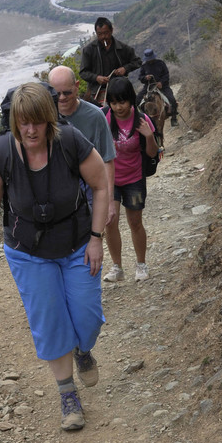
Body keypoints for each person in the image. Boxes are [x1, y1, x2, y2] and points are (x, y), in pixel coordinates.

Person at [0, 82, 109, 432]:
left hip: (78, 242)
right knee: (49, 320)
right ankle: (68, 395)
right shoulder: (2, 151)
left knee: (88, 318)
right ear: (15, 122)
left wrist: (96, 238)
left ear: (49, 120)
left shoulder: (70, 141)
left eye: (36, 122)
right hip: (27, 250)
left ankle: (82, 349)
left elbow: (101, 184)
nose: (30, 130)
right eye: (23, 123)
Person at [102, 76, 158, 284]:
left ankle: (141, 264)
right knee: (110, 221)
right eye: (114, 103)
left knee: (135, 222)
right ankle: (117, 267)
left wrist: (149, 136)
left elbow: (152, 154)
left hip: (134, 179)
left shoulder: (142, 119)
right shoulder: (105, 118)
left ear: (131, 100)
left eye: (122, 102)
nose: (118, 107)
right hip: (111, 180)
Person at [48, 64, 116, 227]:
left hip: (89, 191)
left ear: (77, 87)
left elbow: (107, 160)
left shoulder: (95, 116)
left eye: (67, 92)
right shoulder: (44, 119)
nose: (62, 98)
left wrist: (109, 200)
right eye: (57, 94)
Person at [79, 17, 142, 105]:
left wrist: (125, 68)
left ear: (111, 30)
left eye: (106, 33)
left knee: (133, 107)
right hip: (96, 91)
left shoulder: (122, 48)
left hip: (120, 88)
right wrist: (96, 78)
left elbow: (137, 61)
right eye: (99, 34)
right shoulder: (89, 50)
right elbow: (83, 72)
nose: (103, 37)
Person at [138, 48, 178, 126]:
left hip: (162, 86)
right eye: (148, 59)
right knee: (137, 100)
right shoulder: (144, 66)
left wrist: (161, 82)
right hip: (149, 87)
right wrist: (145, 78)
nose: (150, 60)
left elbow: (166, 74)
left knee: (172, 99)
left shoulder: (161, 63)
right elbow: (140, 77)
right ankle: (142, 118)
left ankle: (174, 118)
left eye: (151, 59)